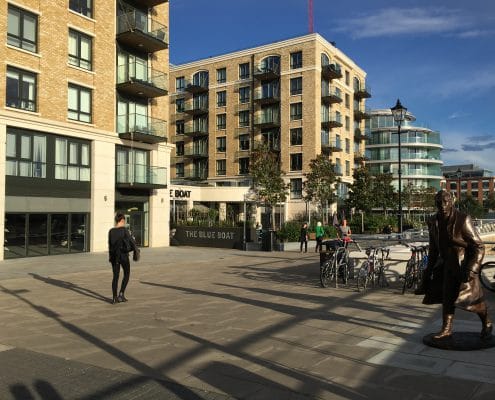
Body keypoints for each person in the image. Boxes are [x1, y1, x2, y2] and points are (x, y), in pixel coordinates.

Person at [419, 190, 492, 340]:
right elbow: (433, 249)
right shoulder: (433, 221)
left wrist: (472, 268)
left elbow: (479, 246)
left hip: (464, 266)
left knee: (473, 301)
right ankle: (446, 329)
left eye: (446, 202)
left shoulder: (462, 219)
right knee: (447, 297)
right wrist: (428, 271)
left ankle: (487, 322)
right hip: (446, 265)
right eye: (439, 203)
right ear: (435, 203)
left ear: (451, 202)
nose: (443, 205)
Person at [108, 212, 137, 304]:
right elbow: (132, 241)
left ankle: (114, 298)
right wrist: (135, 250)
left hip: (114, 257)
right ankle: (121, 294)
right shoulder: (124, 230)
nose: (124, 222)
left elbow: (110, 245)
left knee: (115, 277)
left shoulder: (111, 231)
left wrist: (110, 257)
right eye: (124, 221)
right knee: (127, 274)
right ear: (122, 220)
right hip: (123, 256)